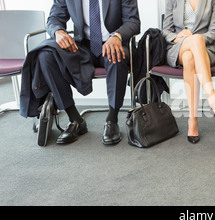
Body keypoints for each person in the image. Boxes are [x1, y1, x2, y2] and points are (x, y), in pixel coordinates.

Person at [20, 0, 140, 145]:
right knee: (46, 55)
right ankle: (75, 119)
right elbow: (54, 19)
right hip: (83, 45)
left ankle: (112, 120)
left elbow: (133, 22)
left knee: (115, 56)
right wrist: (58, 32)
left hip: (113, 42)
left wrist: (117, 36)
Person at [162, 0, 215, 144]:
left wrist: (194, 38)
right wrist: (180, 38)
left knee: (189, 57)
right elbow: (166, 31)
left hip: (205, 50)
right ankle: (213, 100)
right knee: (189, 49)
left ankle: (192, 120)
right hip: (177, 47)